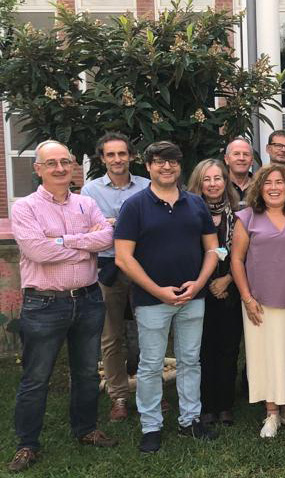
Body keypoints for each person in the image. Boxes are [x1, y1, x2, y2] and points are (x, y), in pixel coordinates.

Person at [9, 141, 118, 473]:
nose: (60, 168)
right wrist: (84, 243)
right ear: (38, 169)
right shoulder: (24, 207)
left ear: (74, 166)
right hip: (44, 303)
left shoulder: (86, 203)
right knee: (36, 377)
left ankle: (85, 430)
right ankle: (27, 444)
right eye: (51, 163)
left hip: (87, 298)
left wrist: (60, 241)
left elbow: (107, 239)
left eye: (65, 162)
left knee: (86, 372)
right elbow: (37, 252)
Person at [114, 141, 219, 453]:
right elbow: (123, 258)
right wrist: (157, 290)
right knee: (150, 364)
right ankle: (151, 426)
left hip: (192, 297)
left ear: (179, 166)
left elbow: (214, 248)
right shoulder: (134, 206)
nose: (166, 167)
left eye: (172, 161)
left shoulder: (196, 204)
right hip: (151, 301)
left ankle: (190, 420)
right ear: (147, 167)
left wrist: (199, 283)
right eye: (159, 161)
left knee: (190, 360)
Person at [230, 164, 285, 438]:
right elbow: (236, 259)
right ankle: (271, 412)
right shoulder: (247, 218)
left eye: (279, 182)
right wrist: (246, 298)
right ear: (259, 187)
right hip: (260, 301)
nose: (274, 187)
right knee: (264, 356)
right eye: (268, 183)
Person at [80, 132, 149, 422]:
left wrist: (111, 224)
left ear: (131, 156)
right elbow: (88, 232)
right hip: (108, 268)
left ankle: (150, 392)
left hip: (145, 266)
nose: (117, 159)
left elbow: (153, 227)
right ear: (102, 158)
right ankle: (119, 395)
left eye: (122, 153)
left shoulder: (147, 186)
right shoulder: (90, 191)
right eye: (111, 155)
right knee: (111, 336)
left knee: (151, 332)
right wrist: (126, 225)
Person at [186, 159, 243, 427]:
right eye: (206, 179)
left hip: (231, 288)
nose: (212, 184)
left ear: (226, 181)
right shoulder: (188, 213)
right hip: (199, 289)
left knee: (229, 348)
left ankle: (226, 404)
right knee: (202, 349)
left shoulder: (240, 213)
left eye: (217, 178)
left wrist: (227, 280)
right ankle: (207, 404)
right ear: (199, 182)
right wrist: (208, 281)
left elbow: (247, 254)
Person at [224, 137, 255, 204]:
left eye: (246, 154)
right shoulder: (220, 186)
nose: (241, 158)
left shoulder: (260, 185)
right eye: (236, 154)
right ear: (226, 159)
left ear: (252, 160)